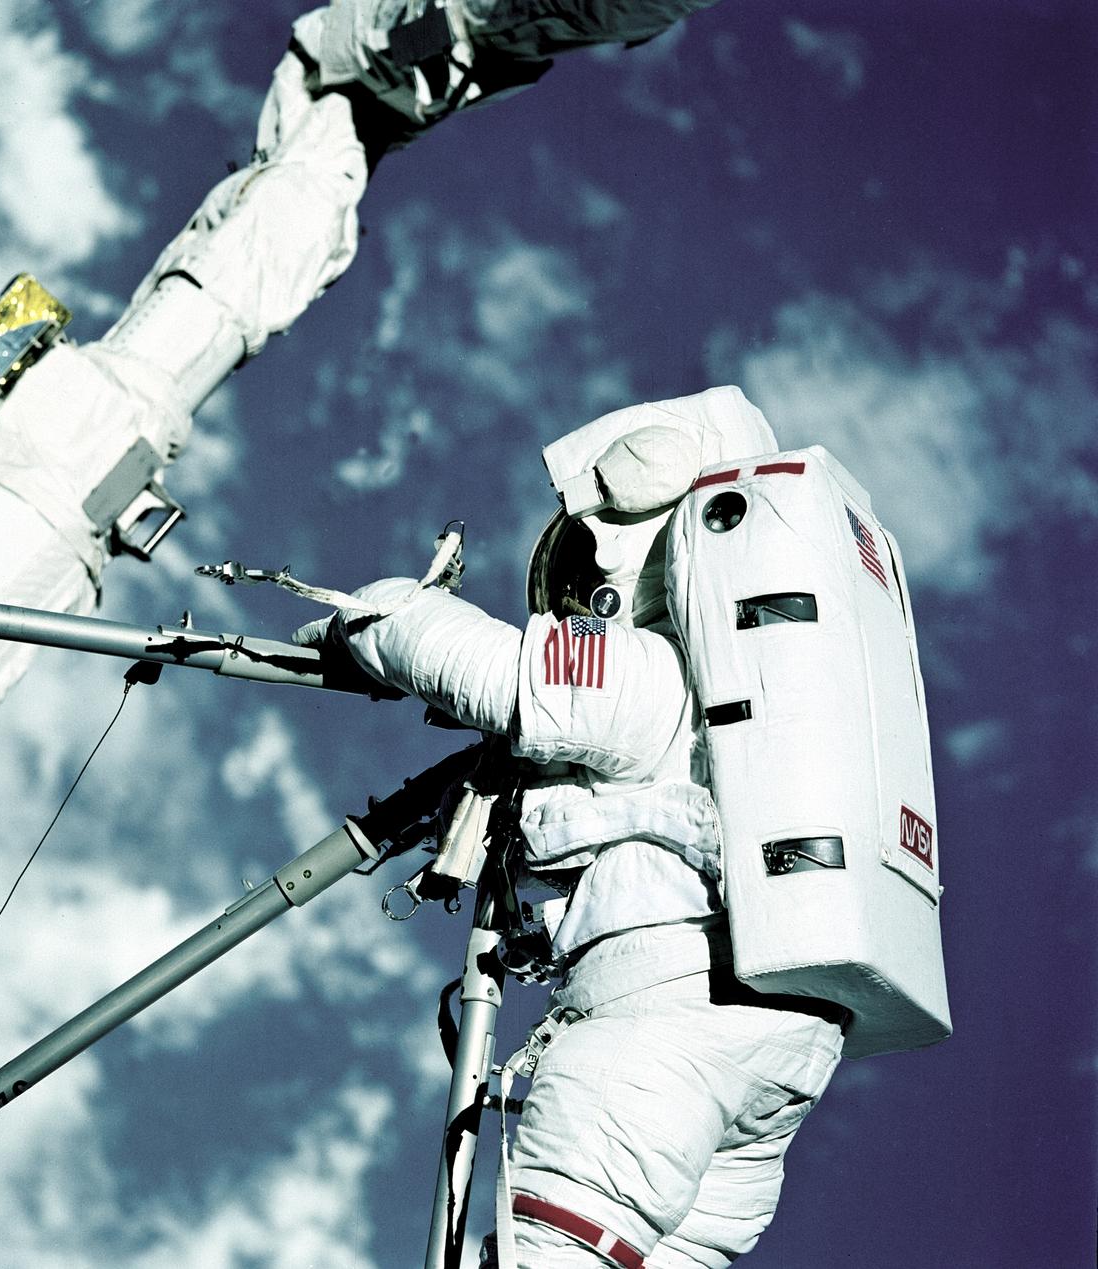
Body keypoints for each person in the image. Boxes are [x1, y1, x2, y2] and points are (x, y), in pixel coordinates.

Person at [301, 386, 848, 1267]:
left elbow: (493, 671)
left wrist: (372, 616)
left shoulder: (656, 675)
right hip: (782, 1057)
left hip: (660, 1035)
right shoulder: (774, 702)